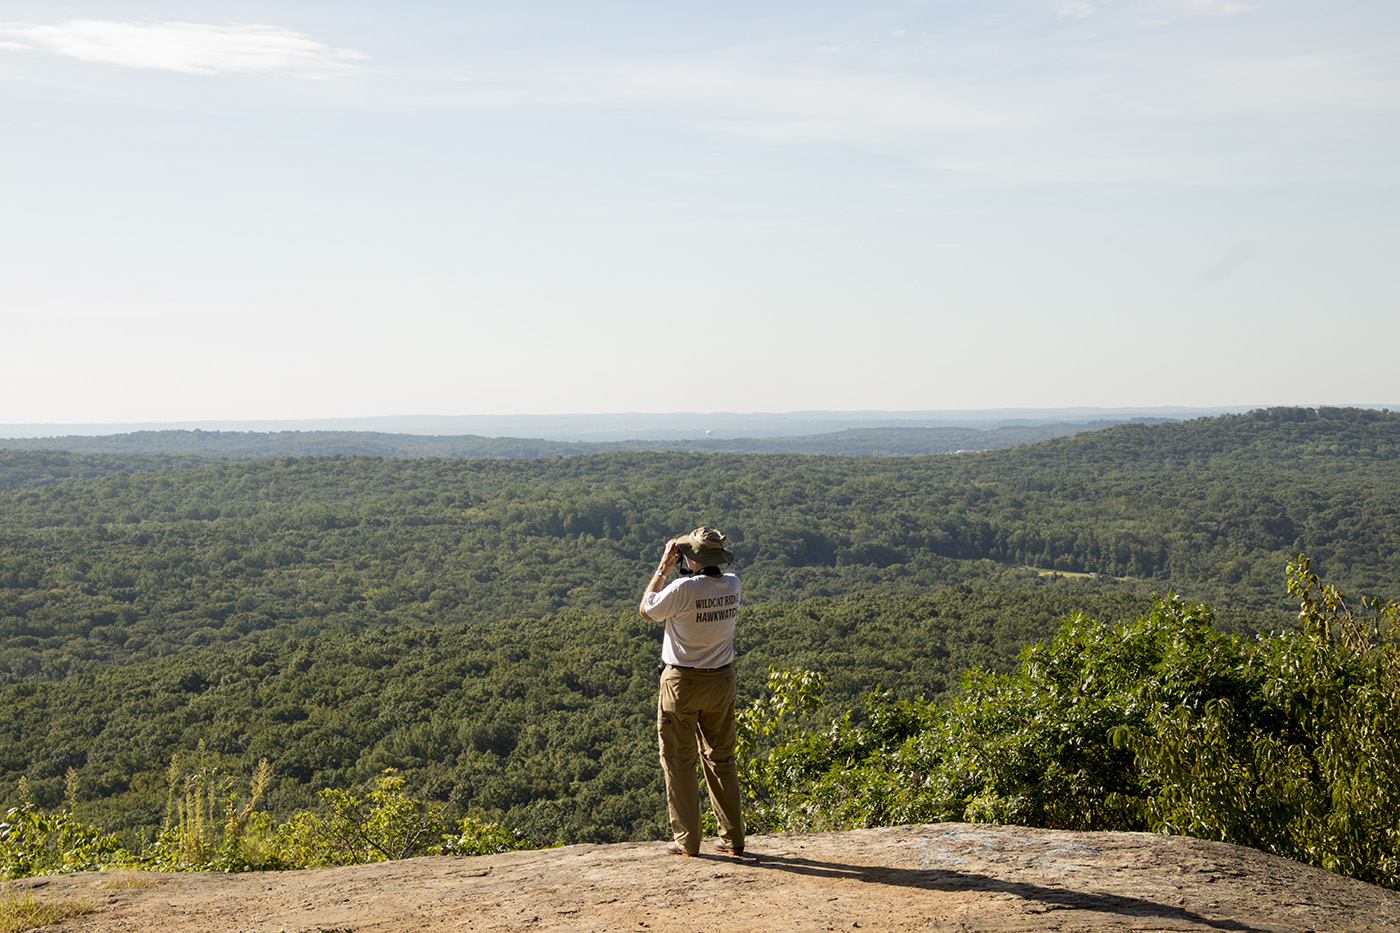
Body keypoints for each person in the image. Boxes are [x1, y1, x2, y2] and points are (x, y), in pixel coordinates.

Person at [639, 526, 746, 858]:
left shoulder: (682, 588)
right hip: (722, 679)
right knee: (721, 759)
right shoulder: (733, 584)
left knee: (678, 760)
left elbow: (646, 609)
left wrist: (663, 568)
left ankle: (687, 841)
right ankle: (733, 837)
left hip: (682, 683)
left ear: (692, 558)